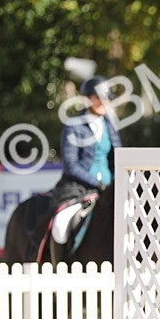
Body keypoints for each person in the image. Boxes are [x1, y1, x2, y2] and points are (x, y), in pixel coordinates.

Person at [47, 76, 123, 257]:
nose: (104, 103)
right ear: (88, 98)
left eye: (106, 99)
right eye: (99, 98)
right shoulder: (73, 126)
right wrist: (98, 185)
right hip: (80, 189)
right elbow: (71, 165)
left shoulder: (110, 126)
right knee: (61, 223)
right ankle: (61, 267)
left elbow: (118, 158)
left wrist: (116, 183)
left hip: (110, 190)